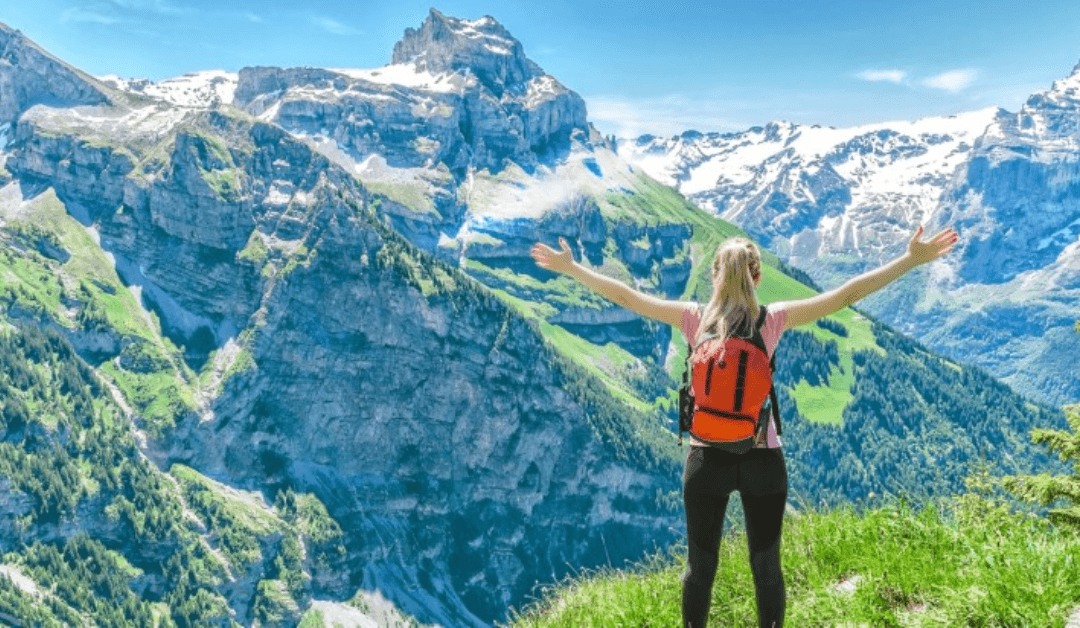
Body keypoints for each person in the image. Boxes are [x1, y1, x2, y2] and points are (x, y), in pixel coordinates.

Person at [530, 225, 958, 628]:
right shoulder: (772, 319)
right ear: (757, 275)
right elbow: (846, 295)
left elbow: (626, 297)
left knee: (700, 569)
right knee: (766, 567)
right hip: (762, 458)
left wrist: (571, 268)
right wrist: (909, 261)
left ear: (714, 274)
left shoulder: (693, 319)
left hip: (705, 459)